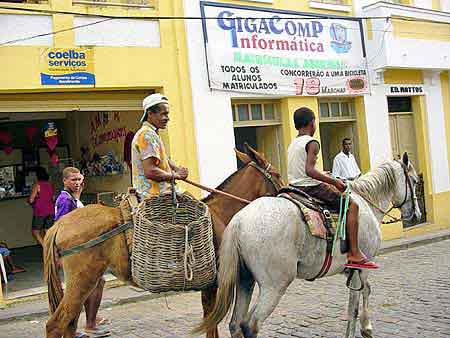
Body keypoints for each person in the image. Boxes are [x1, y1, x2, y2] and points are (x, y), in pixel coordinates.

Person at [287, 107, 378, 269]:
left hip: (294, 187)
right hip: (311, 188)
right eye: (315, 121)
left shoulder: (293, 143)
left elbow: (301, 170)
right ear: (312, 123)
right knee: (352, 205)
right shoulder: (312, 142)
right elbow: (309, 170)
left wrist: (324, 174)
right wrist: (334, 182)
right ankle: (354, 253)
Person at [55, 167, 110, 338]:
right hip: (75, 253)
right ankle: (86, 325)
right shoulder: (65, 200)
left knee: (95, 283)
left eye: (79, 179)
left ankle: (91, 320)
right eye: (73, 180)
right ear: (64, 181)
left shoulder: (72, 198)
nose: (77, 183)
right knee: (82, 288)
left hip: (81, 252)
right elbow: (62, 226)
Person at [132, 93, 189, 198]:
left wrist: (177, 169)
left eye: (167, 114)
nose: (167, 118)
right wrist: (176, 175)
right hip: (153, 193)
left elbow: (163, 159)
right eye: (163, 114)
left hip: (162, 189)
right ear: (150, 114)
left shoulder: (152, 133)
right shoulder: (146, 135)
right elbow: (150, 171)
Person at [28, 167, 55, 246]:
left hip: (40, 211)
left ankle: (46, 248)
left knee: (35, 232)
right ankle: (53, 250)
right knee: (48, 231)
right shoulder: (50, 184)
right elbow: (53, 198)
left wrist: (32, 201)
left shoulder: (37, 185)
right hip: (51, 210)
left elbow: (31, 200)